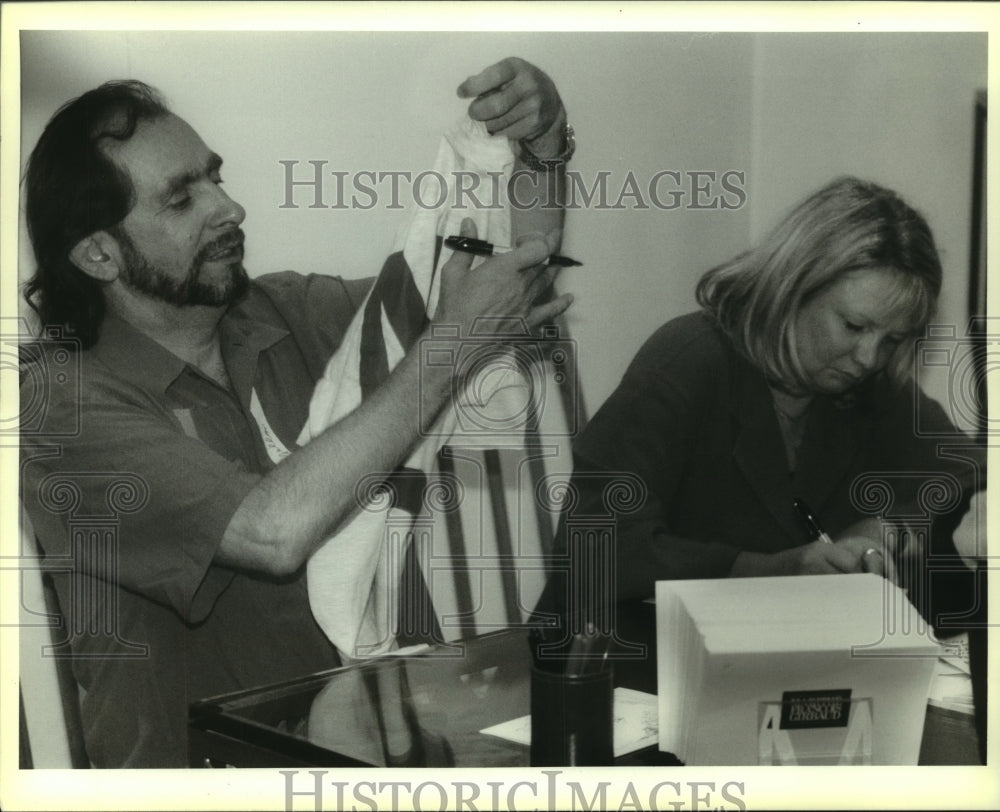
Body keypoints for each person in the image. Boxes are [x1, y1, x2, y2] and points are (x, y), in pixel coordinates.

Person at [19, 57, 574, 768]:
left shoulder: (284, 312)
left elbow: (507, 281)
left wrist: (541, 144)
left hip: (362, 762)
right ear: (99, 254)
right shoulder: (55, 407)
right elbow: (270, 533)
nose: (228, 207)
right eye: (182, 198)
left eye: (215, 176)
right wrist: (450, 345)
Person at [541, 177, 985, 637]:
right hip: (619, 664)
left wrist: (892, 527)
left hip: (769, 665)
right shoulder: (689, 360)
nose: (869, 357)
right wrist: (773, 568)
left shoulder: (869, 386)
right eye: (853, 325)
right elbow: (594, 550)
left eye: (892, 340)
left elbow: (975, 479)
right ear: (793, 286)